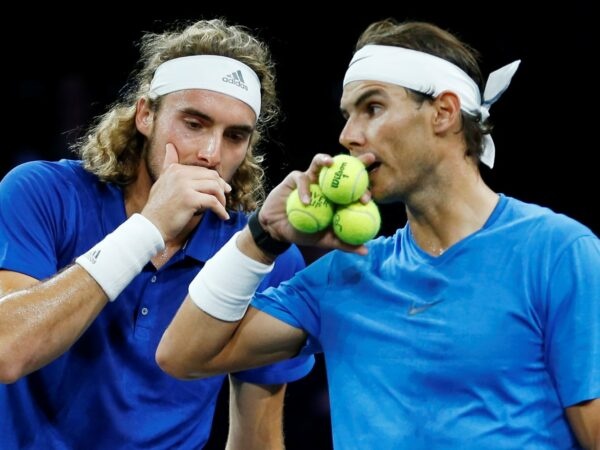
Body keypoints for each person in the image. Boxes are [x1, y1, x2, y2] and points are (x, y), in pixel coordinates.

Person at [156, 19, 600, 449]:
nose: (347, 136)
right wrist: (262, 237)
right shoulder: (346, 275)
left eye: (372, 108)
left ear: (443, 112)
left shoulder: (559, 252)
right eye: (347, 115)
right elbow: (182, 356)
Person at [0, 19, 315, 449]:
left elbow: (257, 440)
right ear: (146, 114)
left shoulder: (261, 254)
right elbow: (7, 349)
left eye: (235, 136)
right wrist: (148, 229)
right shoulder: (42, 193)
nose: (211, 154)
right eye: (194, 123)